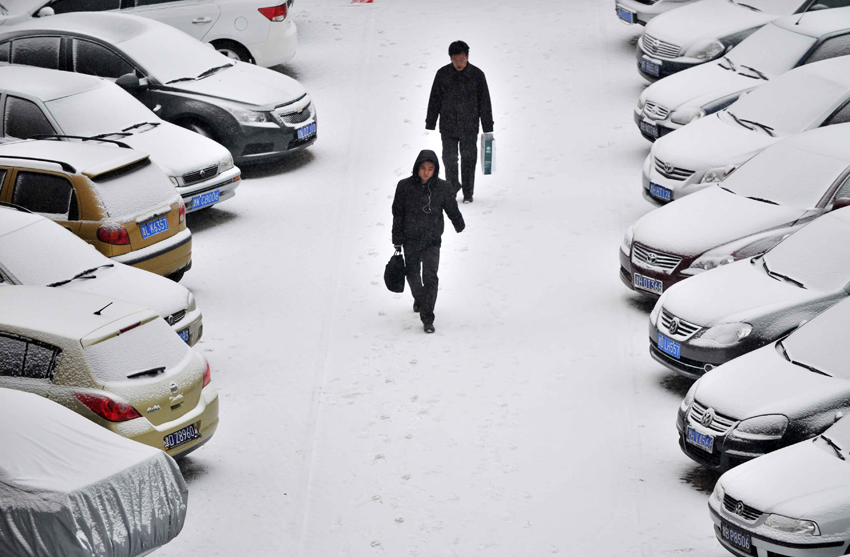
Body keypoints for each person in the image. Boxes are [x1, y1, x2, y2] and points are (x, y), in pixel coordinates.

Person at [392, 150, 465, 333]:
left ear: (435, 170)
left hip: (432, 240)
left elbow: (451, 208)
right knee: (412, 276)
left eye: (430, 169)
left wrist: (459, 223)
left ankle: (427, 318)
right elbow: (398, 214)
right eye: (423, 168)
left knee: (430, 277)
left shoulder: (443, 188)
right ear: (417, 168)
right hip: (411, 240)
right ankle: (421, 299)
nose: (426, 172)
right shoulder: (404, 186)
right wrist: (397, 239)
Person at [426, 40, 494, 204]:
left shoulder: (477, 75)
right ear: (450, 58)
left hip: (469, 126)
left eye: (462, 60)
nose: (459, 63)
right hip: (448, 125)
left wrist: (487, 126)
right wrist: (431, 122)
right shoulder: (442, 74)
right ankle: (452, 188)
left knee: (468, 158)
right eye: (456, 60)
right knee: (449, 159)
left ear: (468, 56)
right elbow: (435, 99)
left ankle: (468, 192)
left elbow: (484, 101)